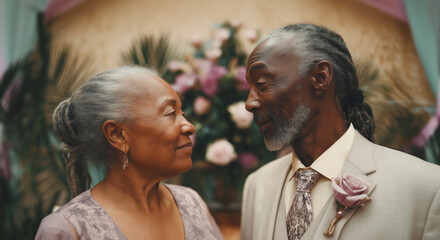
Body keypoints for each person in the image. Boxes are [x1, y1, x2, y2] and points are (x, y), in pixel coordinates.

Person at [240, 23, 440, 240]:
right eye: (250, 88)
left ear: (320, 78)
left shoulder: (427, 188)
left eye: (261, 83)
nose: (249, 103)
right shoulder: (257, 186)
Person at [35, 66, 223, 240]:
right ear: (117, 135)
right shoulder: (66, 230)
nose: (189, 127)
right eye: (170, 113)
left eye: (182, 113)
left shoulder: (192, 203)